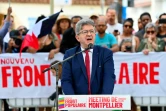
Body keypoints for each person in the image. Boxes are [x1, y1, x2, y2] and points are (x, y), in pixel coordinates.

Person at [61, 18, 115, 95]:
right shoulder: (70, 54)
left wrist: (103, 100)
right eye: (85, 32)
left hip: (99, 102)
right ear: (77, 37)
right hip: (77, 102)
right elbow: (66, 80)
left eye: (92, 31)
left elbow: (109, 78)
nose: (89, 34)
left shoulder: (105, 53)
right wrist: (73, 101)